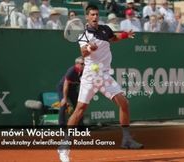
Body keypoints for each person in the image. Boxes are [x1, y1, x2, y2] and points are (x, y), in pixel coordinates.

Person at [58, 4, 143, 162]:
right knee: (80, 110)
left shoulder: (105, 29)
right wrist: (90, 47)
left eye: (97, 14)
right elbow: (83, 52)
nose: (95, 17)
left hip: (105, 75)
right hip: (90, 76)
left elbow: (113, 39)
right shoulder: (83, 34)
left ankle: (126, 140)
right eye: (92, 14)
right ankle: (64, 146)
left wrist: (125, 35)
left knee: (124, 103)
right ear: (87, 16)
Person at [57, 56, 84, 126]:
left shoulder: (84, 71)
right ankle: (62, 126)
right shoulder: (71, 70)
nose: (84, 65)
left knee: (79, 106)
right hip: (63, 88)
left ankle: (80, 125)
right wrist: (65, 98)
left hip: (73, 89)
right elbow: (66, 85)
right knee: (63, 104)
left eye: (85, 64)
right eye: (82, 64)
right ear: (77, 64)